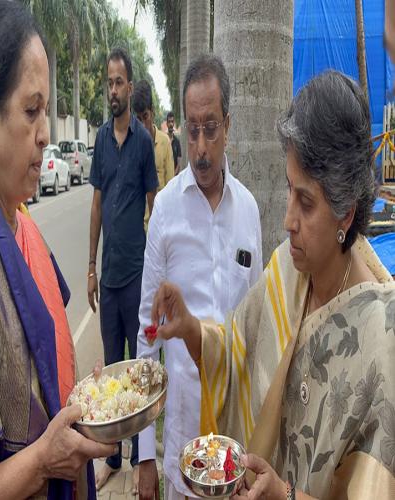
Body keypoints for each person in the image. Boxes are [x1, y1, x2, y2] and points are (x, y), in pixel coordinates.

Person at [152, 71, 395, 499]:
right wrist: (190, 327)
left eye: (306, 202)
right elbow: (234, 351)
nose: (288, 221)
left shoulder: (381, 341)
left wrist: (282, 495)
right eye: (289, 190)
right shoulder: (287, 270)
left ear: (345, 212)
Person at [0, 2, 116, 499]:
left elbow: (44, 374)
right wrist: (45, 460)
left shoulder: (18, 224)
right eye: (31, 110)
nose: (46, 133)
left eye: (46, 110)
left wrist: (88, 404)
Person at [138, 54, 263, 500]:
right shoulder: (167, 210)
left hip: (236, 446)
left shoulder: (248, 211)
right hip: (182, 448)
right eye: (192, 130)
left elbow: (257, 327)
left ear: (227, 125)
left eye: (211, 129)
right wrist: (144, 457)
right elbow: (146, 337)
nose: (201, 147)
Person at [88, 48, 158, 493]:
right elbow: (96, 203)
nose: (112, 90)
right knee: (113, 372)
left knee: (137, 367)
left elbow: (155, 203)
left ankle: (137, 458)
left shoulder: (145, 142)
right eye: (108, 82)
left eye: (118, 82)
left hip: (136, 275)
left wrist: (159, 266)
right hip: (109, 279)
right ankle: (113, 457)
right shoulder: (98, 140)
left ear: (130, 87)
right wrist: (90, 268)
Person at [132, 79, 175, 230]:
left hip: (158, 228)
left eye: (145, 116)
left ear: (153, 112)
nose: (142, 125)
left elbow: (171, 189)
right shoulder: (130, 145)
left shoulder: (165, 143)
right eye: (138, 119)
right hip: (136, 231)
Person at [166, 110, 182, 175]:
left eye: (172, 122)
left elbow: (179, 164)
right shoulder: (163, 141)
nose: (171, 124)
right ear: (166, 124)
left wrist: (173, 176)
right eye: (169, 122)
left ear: (174, 123)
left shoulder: (177, 142)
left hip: (175, 177)